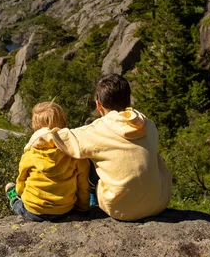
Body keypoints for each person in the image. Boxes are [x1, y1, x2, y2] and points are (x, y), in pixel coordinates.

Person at [25, 74, 172, 221]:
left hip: (119, 209)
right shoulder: (149, 125)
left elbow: (56, 138)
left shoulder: (96, 130)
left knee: (84, 155)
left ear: (98, 105)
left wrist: (34, 139)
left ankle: (91, 201)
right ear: (128, 99)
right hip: (158, 203)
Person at [5, 101, 90, 222]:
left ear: (35, 129)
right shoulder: (74, 154)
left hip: (33, 211)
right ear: (63, 124)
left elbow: (21, 184)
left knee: (19, 205)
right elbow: (83, 186)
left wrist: (20, 193)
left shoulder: (29, 155)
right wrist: (83, 208)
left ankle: (14, 200)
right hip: (64, 211)